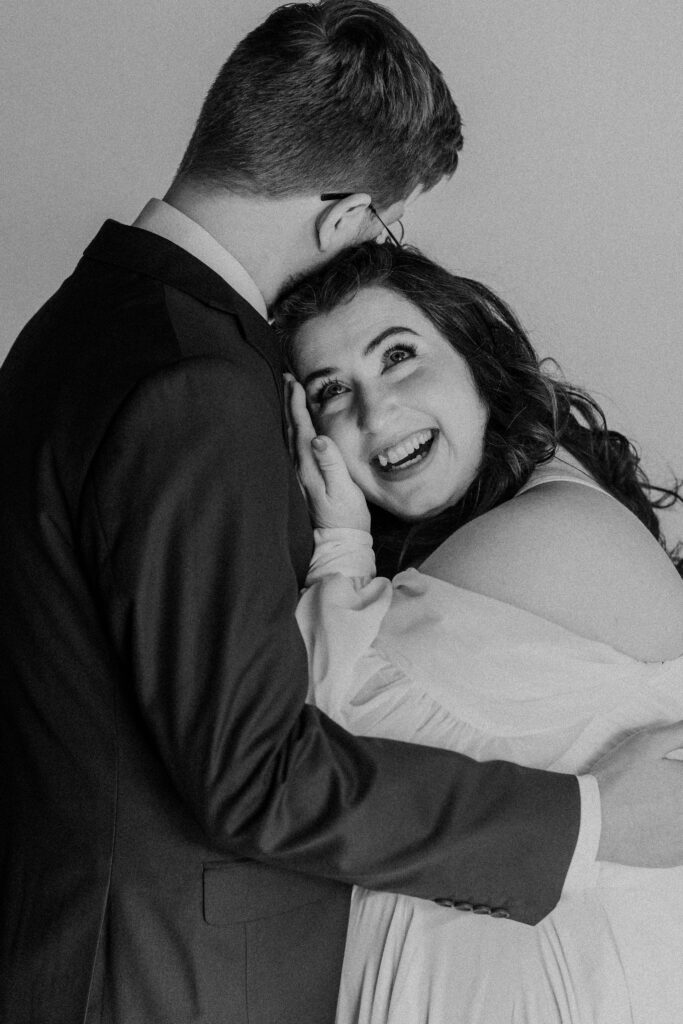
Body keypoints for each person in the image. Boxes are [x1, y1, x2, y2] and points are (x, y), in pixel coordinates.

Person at [2, 2, 682, 1022]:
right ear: (342, 215)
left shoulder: (76, 328)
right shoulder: (195, 379)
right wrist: (587, 820)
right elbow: (258, 770)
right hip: (167, 982)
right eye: (380, 220)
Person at [275, 239, 683, 1023]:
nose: (374, 410)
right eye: (331, 391)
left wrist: (339, 539)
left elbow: (296, 736)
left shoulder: (552, 527)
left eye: (397, 356)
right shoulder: (451, 559)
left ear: (475, 358)